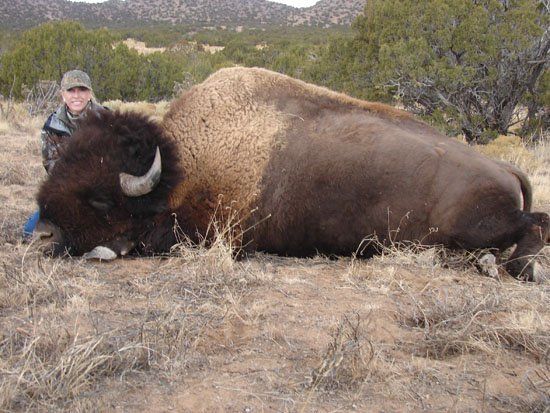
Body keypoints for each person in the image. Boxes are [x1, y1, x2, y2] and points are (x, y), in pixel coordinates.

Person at [23, 69, 107, 238]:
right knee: (29, 232)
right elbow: (52, 167)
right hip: (67, 191)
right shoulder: (51, 127)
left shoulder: (107, 119)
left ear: (90, 93)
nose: (77, 96)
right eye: (71, 90)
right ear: (63, 95)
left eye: (82, 90)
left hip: (104, 191)